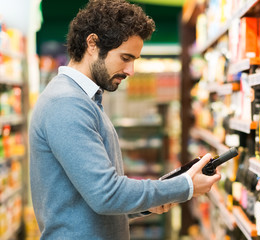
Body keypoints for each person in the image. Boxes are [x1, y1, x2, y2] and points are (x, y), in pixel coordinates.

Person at [29, 0, 221, 239]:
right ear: (92, 44)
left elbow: (87, 200)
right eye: (125, 57)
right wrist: (185, 187)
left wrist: (148, 203)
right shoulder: (66, 103)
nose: (131, 70)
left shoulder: (84, 99)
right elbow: (105, 194)